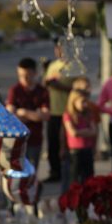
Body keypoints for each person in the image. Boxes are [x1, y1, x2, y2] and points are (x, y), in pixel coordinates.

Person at [6, 57, 50, 173]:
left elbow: (45, 116)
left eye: (27, 75)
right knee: (16, 172)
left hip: (35, 139)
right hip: (17, 140)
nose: (23, 79)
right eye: (20, 75)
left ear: (34, 73)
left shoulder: (42, 91)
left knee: (32, 172)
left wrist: (23, 112)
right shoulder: (14, 90)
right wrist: (35, 115)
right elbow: (10, 116)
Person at [44, 39, 73, 182]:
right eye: (57, 48)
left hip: (68, 111)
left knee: (68, 145)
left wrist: (59, 85)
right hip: (54, 111)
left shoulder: (74, 66)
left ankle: (71, 172)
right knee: (53, 144)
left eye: (61, 48)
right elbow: (46, 84)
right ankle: (55, 172)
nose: (59, 51)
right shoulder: (52, 66)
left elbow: (79, 89)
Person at [63, 89, 97, 184]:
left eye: (86, 101)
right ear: (73, 101)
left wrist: (80, 132)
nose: (85, 104)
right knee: (74, 177)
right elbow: (73, 132)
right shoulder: (68, 115)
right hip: (75, 151)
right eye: (82, 102)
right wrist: (86, 131)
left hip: (87, 149)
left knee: (88, 177)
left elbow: (94, 131)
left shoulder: (88, 114)